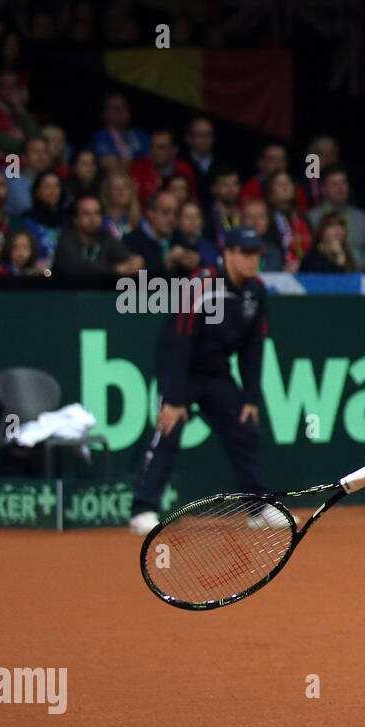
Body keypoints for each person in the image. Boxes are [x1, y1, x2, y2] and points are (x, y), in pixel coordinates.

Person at [128, 226, 274, 535]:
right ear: (229, 254)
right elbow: (179, 340)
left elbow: (253, 347)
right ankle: (143, 510)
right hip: (180, 367)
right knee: (169, 429)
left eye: (256, 254)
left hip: (216, 373)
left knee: (243, 429)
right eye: (246, 254)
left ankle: (258, 508)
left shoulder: (255, 290)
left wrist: (250, 397)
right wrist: (173, 398)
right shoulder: (202, 283)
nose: (253, 260)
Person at [304, 165, 365, 271]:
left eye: (343, 183)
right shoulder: (312, 217)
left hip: (359, 277)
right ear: (323, 189)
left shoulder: (362, 218)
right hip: (321, 276)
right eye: (334, 184)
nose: (340, 188)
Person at [52, 194, 143, 276]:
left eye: (97, 213)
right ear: (75, 219)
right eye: (86, 214)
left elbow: (126, 257)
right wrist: (115, 269)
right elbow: (76, 266)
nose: (93, 219)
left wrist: (135, 262)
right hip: (67, 292)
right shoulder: (66, 238)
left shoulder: (105, 236)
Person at [21, 169, 64, 267]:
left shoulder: (69, 219)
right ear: (37, 191)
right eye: (47, 186)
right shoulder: (25, 221)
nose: (53, 191)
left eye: (57, 186)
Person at [174, 199, 219, 269]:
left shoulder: (210, 246)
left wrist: (200, 261)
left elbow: (217, 269)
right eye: (188, 216)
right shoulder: (170, 243)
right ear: (178, 221)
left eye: (197, 216)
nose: (193, 220)